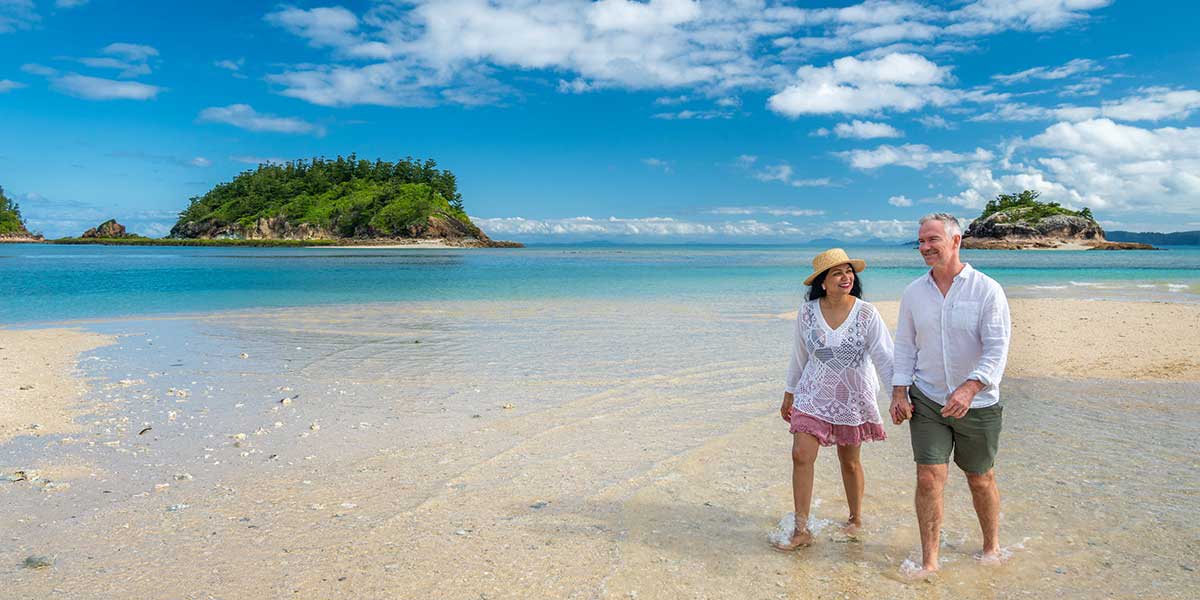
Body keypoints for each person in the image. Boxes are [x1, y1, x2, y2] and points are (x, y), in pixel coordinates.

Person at [889, 213, 1012, 576]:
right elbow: (904, 346)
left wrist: (971, 387)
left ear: (956, 241)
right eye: (921, 241)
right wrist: (899, 392)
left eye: (932, 240)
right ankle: (930, 560)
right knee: (928, 476)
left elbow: (997, 348)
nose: (924, 247)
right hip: (926, 397)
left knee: (980, 477)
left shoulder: (987, 289)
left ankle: (991, 547)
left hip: (978, 402)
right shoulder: (913, 292)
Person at [773, 248, 894, 551]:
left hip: (853, 396)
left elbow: (885, 357)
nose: (846, 277)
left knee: (850, 462)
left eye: (849, 271)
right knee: (800, 455)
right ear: (822, 282)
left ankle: (855, 519)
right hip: (812, 393)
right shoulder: (807, 313)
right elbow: (799, 356)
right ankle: (802, 530)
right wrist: (789, 393)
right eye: (837, 272)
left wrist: (898, 396)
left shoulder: (867, 313)